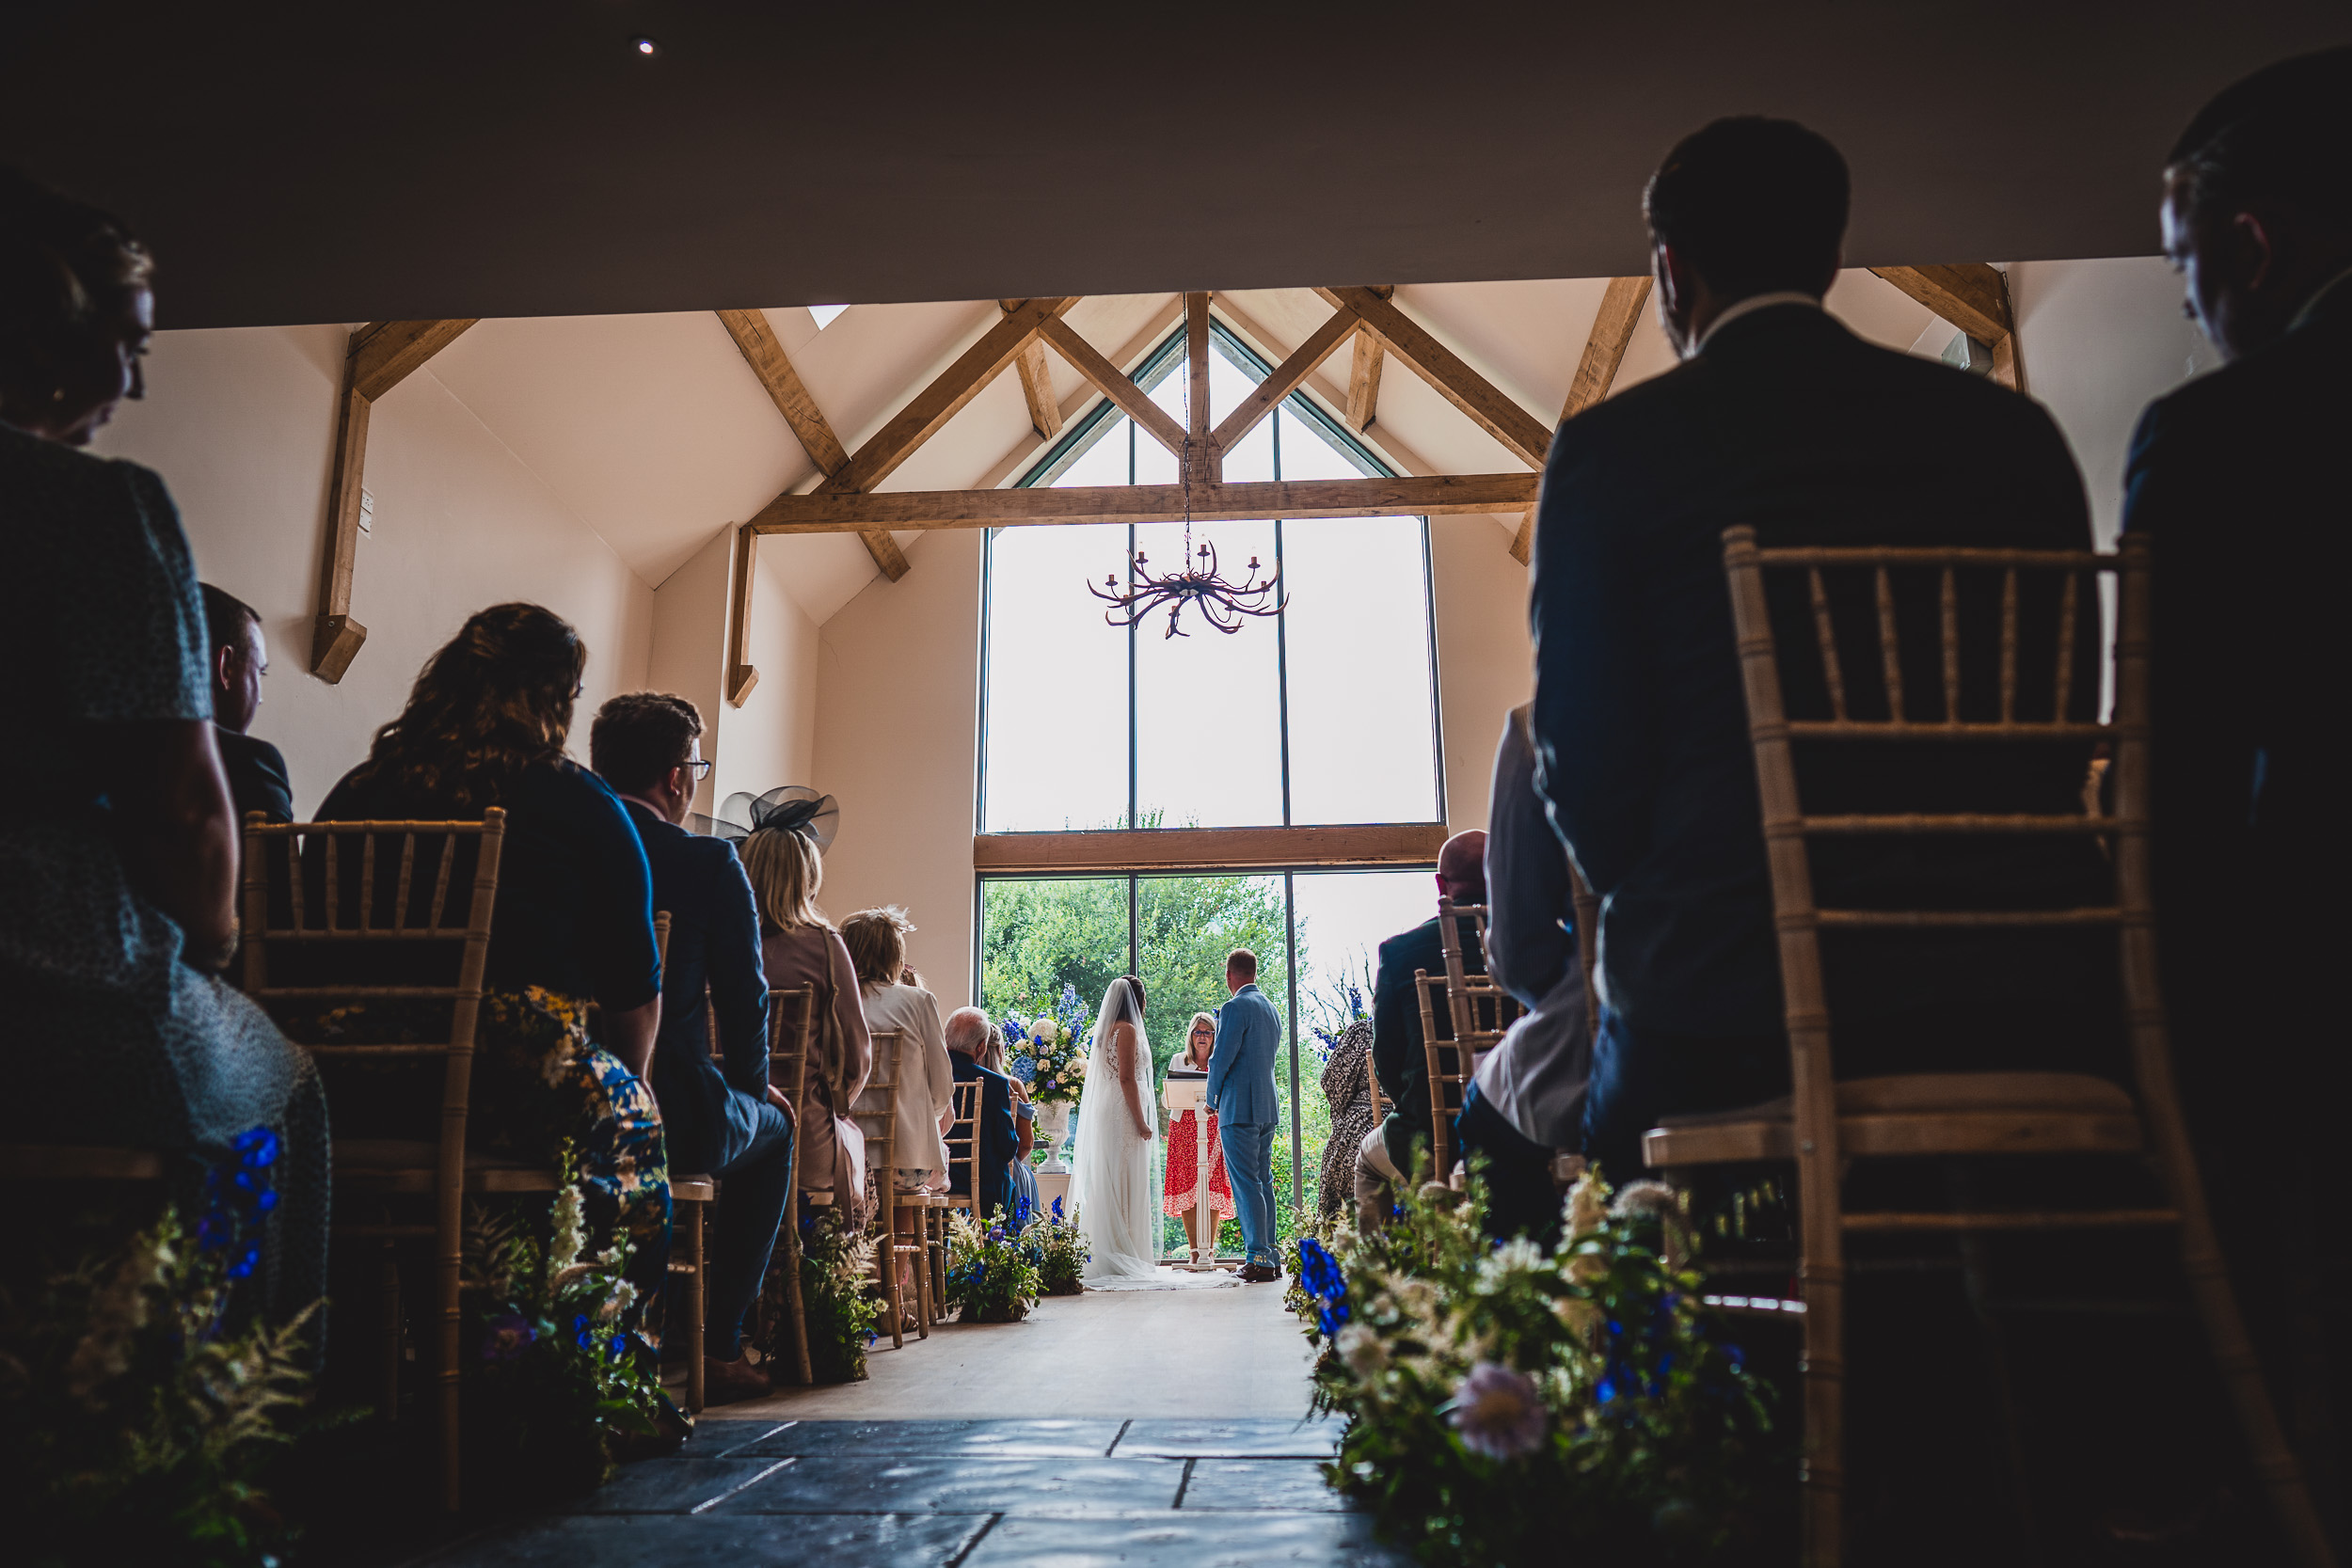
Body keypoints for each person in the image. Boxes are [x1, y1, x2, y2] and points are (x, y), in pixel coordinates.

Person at [1529, 117, 2113, 1180]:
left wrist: (1685, 901)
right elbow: (2061, 721)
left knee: (1590, 1174)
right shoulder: (2009, 436)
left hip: (1729, 996)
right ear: (1830, 253)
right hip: (2023, 984)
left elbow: (1584, 762)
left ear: (1670, 268)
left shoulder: (1616, 452)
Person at [0, 168, 327, 1335]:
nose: (137, 379)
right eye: (129, 345)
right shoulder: (99, 510)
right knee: (283, 1084)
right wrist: (210, 949)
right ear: (52, 330)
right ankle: (223, 1425)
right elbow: (187, 814)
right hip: (53, 980)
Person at [2126, 46, 2352, 1497]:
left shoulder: (2221, 435)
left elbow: (2174, 795)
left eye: (2186, 266)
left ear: (2253, 244)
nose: (2195, 307)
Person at [309, 604, 671, 1347]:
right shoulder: (577, 801)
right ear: (554, 698)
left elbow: (305, 945)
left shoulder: (359, 792)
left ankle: (337, 1358)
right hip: (504, 1077)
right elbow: (634, 988)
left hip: (351, 1077)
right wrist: (625, 1079)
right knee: (631, 1127)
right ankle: (584, 1363)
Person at [590, 692, 786, 1403]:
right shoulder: (706, 859)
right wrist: (756, 1088)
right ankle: (722, 1341)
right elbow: (745, 999)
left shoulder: (567, 848)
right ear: (676, 777)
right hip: (673, 1108)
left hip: (568, 1098)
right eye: (696, 765)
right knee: (778, 1131)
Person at [1458, 705, 1592, 1243]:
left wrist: (1581, 983)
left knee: (1485, 1121)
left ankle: (1548, 1312)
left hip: (1650, 1034)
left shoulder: (1548, 725)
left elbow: (1520, 956)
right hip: (1855, 1034)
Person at [737, 795, 870, 1214]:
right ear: (807, 876)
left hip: (722, 1132)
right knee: (853, 1144)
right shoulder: (825, 946)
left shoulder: (721, 941)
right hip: (802, 1137)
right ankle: (831, 1272)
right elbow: (858, 1059)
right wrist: (830, 1101)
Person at [1357, 831, 1487, 1225]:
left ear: (1440, 884)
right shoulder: (1529, 943)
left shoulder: (1401, 953)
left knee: (1366, 1160)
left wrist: (1419, 1103)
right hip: (1521, 1127)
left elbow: (1387, 1060)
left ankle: (1380, 1280)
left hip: (1428, 1133)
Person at [840, 906, 951, 1313]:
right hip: (904, 1162)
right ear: (894, 956)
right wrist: (920, 1115)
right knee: (906, 1193)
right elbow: (942, 1086)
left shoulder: (834, 1000)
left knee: (846, 1193)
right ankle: (889, 1301)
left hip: (840, 1160)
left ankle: (848, 1297)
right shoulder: (918, 1001)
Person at [1071, 974, 1164, 1286]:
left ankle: (1113, 1250)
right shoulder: (1127, 1030)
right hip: (1122, 1111)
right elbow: (1126, 1078)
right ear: (1137, 1001)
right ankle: (1123, 1254)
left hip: (1109, 1107)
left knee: (1112, 1176)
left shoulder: (1106, 1031)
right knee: (1123, 1176)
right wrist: (1141, 1121)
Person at [1208, 951, 1283, 1282]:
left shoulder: (1234, 1007)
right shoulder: (1271, 1009)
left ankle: (1259, 1258)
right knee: (1263, 1180)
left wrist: (1212, 1099)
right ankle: (1272, 1254)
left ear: (1229, 974)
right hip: (1267, 1105)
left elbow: (1220, 1058)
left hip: (1239, 1107)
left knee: (1246, 1183)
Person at [199, 582, 292, 823]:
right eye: (260, 672)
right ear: (225, 667)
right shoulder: (250, 763)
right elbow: (276, 860)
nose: (260, 699)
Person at [1162, 1010, 1235, 1262]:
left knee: (1213, 1187)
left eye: (1207, 1032)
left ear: (1215, 1036)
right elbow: (1167, 1098)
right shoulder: (1178, 1060)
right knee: (1187, 1189)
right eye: (1198, 1032)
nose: (1202, 1037)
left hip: (1213, 1127)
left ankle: (1210, 1251)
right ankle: (1194, 1252)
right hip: (1183, 1128)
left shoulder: (1222, 1062)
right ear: (1191, 1035)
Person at [942, 1006, 1019, 1221]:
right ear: (981, 1047)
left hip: (935, 1176)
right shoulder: (995, 1084)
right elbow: (1007, 1147)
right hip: (980, 1184)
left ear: (946, 1037)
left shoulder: (928, 1075)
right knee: (1006, 1179)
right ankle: (996, 1246)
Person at [1315, 1012, 1375, 1221]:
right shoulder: (1429, 1032)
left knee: (1338, 1160)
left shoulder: (1365, 1032)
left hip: (1367, 1126)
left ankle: (1338, 1234)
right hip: (1423, 1123)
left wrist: (1346, 1114)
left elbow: (1331, 1082)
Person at [984, 1021, 1039, 1216]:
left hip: (961, 1173)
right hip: (1005, 1171)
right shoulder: (1013, 1085)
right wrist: (1009, 1162)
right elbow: (1026, 1143)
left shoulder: (964, 1082)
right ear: (1000, 1051)